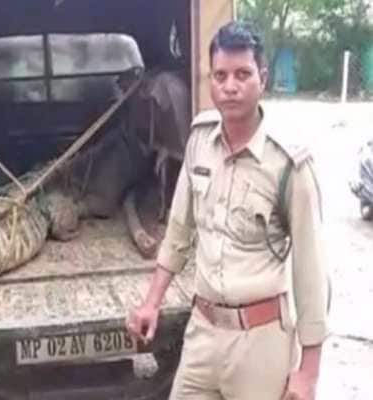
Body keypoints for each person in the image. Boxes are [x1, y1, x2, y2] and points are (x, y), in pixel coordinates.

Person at [126, 21, 329, 400]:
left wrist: (308, 372)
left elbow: (311, 276)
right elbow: (178, 232)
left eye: (242, 74)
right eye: (220, 75)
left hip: (261, 343)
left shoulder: (289, 165)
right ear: (210, 80)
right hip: (203, 334)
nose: (230, 86)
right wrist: (151, 303)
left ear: (262, 78)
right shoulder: (200, 140)